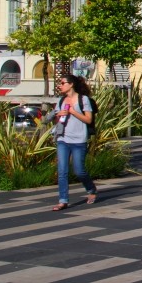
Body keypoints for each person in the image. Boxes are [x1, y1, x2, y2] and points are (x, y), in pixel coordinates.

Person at [50, 74, 97, 211]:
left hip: (79, 139)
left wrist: (72, 111)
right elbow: (58, 118)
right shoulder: (61, 100)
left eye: (63, 83)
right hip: (63, 139)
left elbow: (88, 120)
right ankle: (63, 200)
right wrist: (58, 116)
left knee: (79, 171)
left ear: (71, 84)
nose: (60, 85)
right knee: (62, 171)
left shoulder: (84, 100)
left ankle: (91, 188)